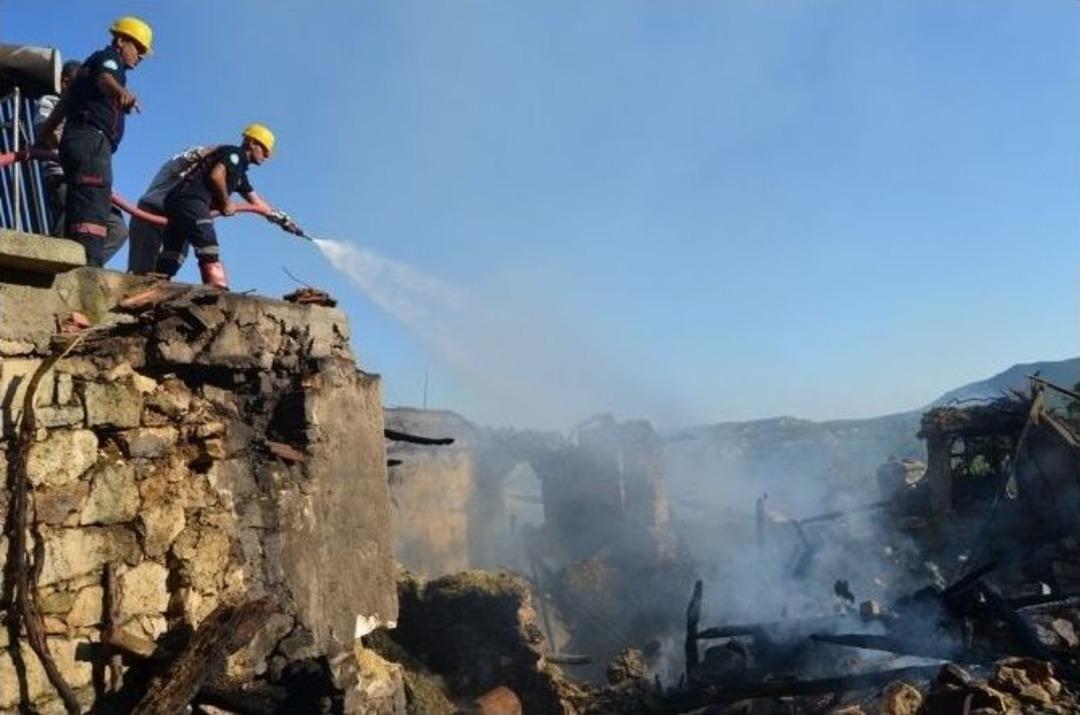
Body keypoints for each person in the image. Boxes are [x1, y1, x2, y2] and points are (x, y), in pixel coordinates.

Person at [38, 16, 152, 267]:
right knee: (91, 220)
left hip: (81, 142)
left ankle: (68, 266)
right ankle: (87, 275)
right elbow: (105, 79)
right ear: (120, 41)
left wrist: (46, 132)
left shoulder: (86, 71)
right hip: (92, 142)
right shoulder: (109, 60)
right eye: (138, 48)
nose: (141, 56)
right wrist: (121, 93)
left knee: (84, 215)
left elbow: (65, 102)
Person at [154, 125, 277, 289]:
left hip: (179, 202)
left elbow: (257, 203)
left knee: (175, 250)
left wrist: (279, 217)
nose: (267, 156)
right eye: (265, 149)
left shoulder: (240, 174)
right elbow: (216, 175)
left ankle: (156, 282)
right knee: (207, 243)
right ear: (252, 143)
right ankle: (216, 290)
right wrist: (226, 203)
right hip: (190, 199)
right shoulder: (234, 154)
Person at [126, 145, 214, 273]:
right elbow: (189, 157)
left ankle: (161, 277)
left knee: (175, 257)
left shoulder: (200, 184)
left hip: (177, 218)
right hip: (151, 211)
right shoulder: (177, 166)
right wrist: (218, 152)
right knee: (143, 263)